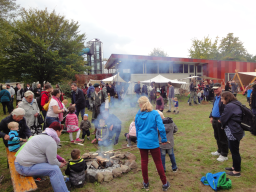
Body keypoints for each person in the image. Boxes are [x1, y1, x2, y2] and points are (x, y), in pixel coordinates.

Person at [15, 122, 69, 192]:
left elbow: (48, 152)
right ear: (57, 131)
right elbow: (52, 161)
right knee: (54, 169)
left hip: (21, 163)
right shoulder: (51, 141)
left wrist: (60, 159)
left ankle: (62, 180)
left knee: (54, 167)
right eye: (61, 131)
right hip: (24, 167)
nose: (61, 134)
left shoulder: (41, 135)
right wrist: (59, 164)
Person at [135, 96, 170, 191]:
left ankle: (146, 183)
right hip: (152, 142)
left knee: (144, 162)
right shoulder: (154, 113)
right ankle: (164, 183)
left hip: (143, 142)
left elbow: (137, 130)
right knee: (158, 162)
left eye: (139, 103)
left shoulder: (139, 115)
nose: (138, 105)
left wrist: (139, 140)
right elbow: (161, 128)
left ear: (141, 104)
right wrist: (163, 139)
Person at [219, 91, 243, 177]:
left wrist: (220, 120)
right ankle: (234, 167)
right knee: (233, 150)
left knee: (235, 151)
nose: (221, 100)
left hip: (233, 132)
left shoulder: (229, 106)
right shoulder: (236, 103)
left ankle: (236, 171)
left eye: (222, 98)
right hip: (237, 131)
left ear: (227, 98)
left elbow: (224, 118)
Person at [209, 83, 228, 162]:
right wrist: (211, 116)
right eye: (214, 89)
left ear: (221, 88)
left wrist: (222, 119)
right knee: (217, 136)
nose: (215, 90)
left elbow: (227, 110)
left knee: (222, 137)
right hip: (215, 119)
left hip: (221, 120)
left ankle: (224, 154)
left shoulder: (225, 97)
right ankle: (219, 150)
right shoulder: (216, 97)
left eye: (216, 88)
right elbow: (214, 107)